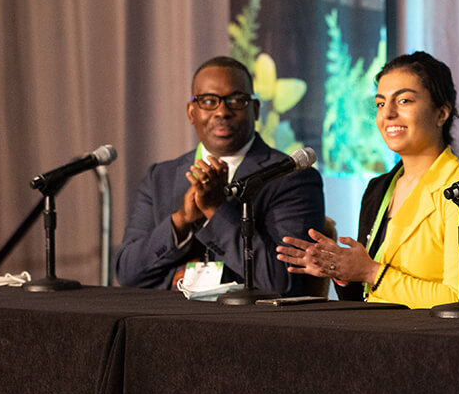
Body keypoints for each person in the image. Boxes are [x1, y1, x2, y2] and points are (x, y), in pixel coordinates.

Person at [276, 52, 459, 308]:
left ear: (441, 113)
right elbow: (364, 301)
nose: (388, 114)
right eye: (380, 103)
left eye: (403, 101)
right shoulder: (378, 189)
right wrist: (342, 271)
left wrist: (371, 272)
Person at [115, 56, 325, 295]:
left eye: (236, 100)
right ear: (191, 112)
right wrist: (181, 221)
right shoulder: (160, 177)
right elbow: (127, 273)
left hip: (248, 326)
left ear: (255, 110)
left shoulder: (291, 178)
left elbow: (281, 282)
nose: (222, 111)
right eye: (208, 101)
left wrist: (216, 210)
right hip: (166, 322)